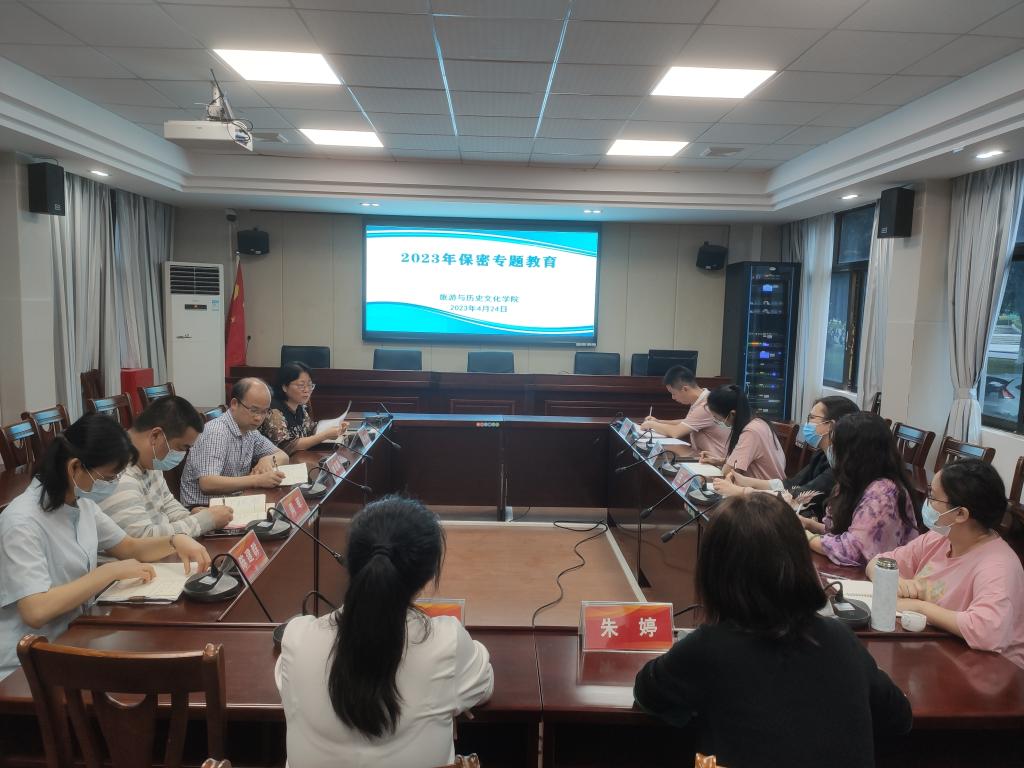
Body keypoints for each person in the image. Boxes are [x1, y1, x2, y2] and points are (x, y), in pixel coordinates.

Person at [633, 494, 912, 767]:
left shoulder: (708, 647)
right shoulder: (840, 637)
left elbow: (648, 692)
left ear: (714, 572)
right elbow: (899, 717)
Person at [276, 496, 493, 767]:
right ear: (427, 575)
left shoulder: (297, 640)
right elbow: (484, 686)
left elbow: (285, 683)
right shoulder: (447, 643)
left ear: (350, 563)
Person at [0, 414, 211, 680]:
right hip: (26, 666)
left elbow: (129, 547)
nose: (112, 485)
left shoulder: (79, 502)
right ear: (75, 467)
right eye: (109, 477)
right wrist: (107, 573)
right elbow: (36, 610)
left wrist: (174, 540)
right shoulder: (22, 522)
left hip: (73, 637)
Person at [868, 460, 1024, 669]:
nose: (927, 503)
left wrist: (920, 607)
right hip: (935, 651)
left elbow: (987, 631)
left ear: (961, 514)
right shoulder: (939, 538)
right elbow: (876, 562)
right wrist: (894, 580)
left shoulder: (998, 566)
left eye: (933, 497)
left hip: (987, 672)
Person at [101, 395, 234, 539]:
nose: (183, 454)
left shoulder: (149, 460)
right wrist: (204, 521)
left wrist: (190, 517)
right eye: (182, 447)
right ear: (156, 436)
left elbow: (167, 504)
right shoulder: (115, 475)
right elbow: (143, 539)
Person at [711, 395, 860, 519]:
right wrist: (746, 481)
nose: (807, 423)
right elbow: (792, 483)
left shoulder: (841, 465)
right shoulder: (823, 454)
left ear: (830, 425)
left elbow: (798, 496)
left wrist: (742, 492)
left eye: (812, 418)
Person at [804, 412, 919, 567]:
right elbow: (840, 533)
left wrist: (805, 536)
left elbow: (854, 550)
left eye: (837, 447)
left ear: (854, 453)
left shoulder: (883, 493)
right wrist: (808, 525)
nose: (832, 451)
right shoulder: (855, 480)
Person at [180, 378, 289, 508]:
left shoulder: (250, 431)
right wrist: (256, 480)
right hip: (203, 508)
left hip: (233, 501)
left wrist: (267, 460)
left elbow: (283, 456)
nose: (259, 418)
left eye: (264, 411)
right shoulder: (217, 432)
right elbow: (207, 483)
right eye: (254, 410)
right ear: (234, 404)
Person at [698, 385, 786, 480]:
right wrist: (720, 461)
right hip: (760, 485)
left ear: (732, 414)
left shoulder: (751, 432)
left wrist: (723, 467)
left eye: (718, 419)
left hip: (761, 488)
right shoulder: (758, 422)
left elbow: (729, 473)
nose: (718, 422)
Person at [639, 366, 729, 457]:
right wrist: (659, 421)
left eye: (673, 393)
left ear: (685, 389)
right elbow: (687, 422)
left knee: (667, 452)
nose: (673, 397)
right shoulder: (702, 398)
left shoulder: (706, 405)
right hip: (704, 455)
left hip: (715, 459)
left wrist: (652, 424)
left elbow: (676, 432)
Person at [262, 361, 349, 455]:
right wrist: (324, 435)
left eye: (310, 385)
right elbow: (288, 446)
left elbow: (311, 430)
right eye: (301, 385)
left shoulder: (300, 406)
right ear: (285, 387)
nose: (307, 390)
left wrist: (336, 428)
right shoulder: (274, 411)